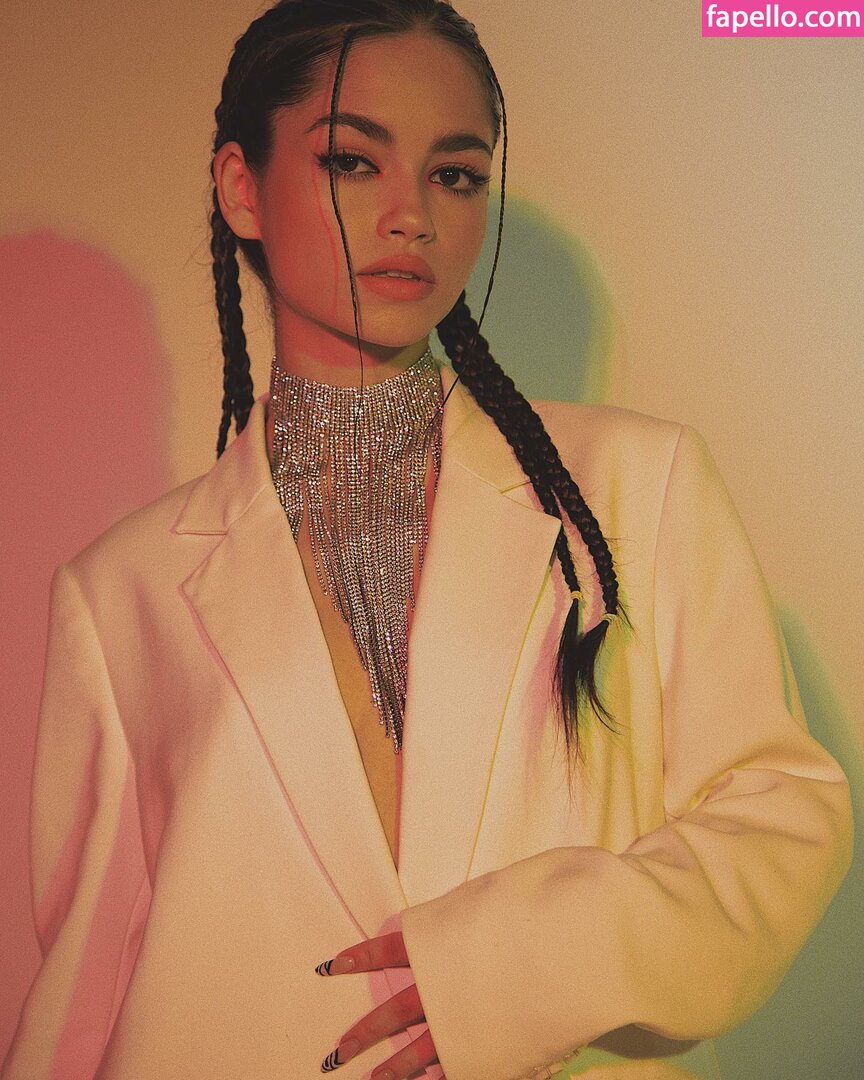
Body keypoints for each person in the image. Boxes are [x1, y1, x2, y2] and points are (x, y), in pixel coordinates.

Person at [2, 2, 853, 1079]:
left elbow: (784, 814)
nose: (411, 215)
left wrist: (527, 966)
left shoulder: (639, 486)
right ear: (241, 188)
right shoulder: (118, 589)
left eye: (454, 174)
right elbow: (87, 990)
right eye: (353, 162)